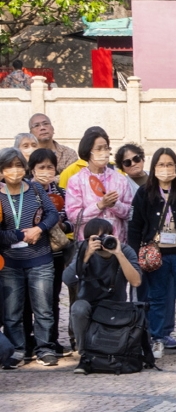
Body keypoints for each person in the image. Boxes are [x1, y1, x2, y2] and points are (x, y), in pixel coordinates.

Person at [128, 147, 176, 358]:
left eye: (170, 164)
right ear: (154, 167)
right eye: (161, 165)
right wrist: (134, 256)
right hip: (156, 256)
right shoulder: (144, 193)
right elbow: (135, 227)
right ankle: (158, 339)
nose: (166, 169)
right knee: (157, 298)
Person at [0, 148, 60, 366]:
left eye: (18, 165)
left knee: (44, 309)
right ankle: (17, 350)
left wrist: (39, 229)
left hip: (40, 258)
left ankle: (45, 348)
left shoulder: (34, 189)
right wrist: (19, 235)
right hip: (10, 262)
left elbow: (52, 214)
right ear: (1, 171)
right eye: (9, 166)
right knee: (12, 312)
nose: (14, 170)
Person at [64, 218, 142, 374]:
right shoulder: (83, 250)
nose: (101, 242)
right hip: (89, 305)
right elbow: (68, 279)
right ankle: (85, 356)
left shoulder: (124, 250)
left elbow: (136, 281)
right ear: (88, 240)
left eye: (105, 236)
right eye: (96, 238)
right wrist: (86, 256)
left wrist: (118, 254)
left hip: (115, 307)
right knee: (78, 308)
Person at [25, 148, 70, 356]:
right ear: (32, 169)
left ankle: (50, 339)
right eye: (41, 167)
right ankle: (27, 341)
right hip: (29, 252)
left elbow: (71, 219)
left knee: (51, 298)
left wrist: (63, 225)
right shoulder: (25, 190)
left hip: (55, 253)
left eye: (49, 167)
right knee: (27, 299)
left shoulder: (61, 192)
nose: (46, 171)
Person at [65, 127, 135, 242]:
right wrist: (100, 205)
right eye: (99, 149)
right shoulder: (76, 181)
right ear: (88, 152)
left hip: (117, 244)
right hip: (89, 244)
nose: (104, 152)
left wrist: (115, 205)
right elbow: (73, 217)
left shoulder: (120, 179)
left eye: (106, 148)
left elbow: (129, 213)